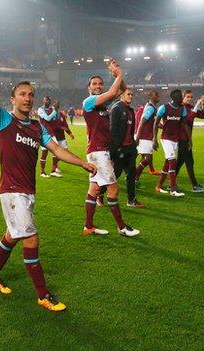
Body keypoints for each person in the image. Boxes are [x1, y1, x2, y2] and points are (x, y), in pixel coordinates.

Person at [0, 41, 97, 312]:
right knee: (31, 239)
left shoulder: (37, 127)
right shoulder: (4, 120)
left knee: (11, 236)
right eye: (22, 94)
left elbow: (56, 150)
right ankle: (43, 295)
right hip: (12, 190)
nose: (28, 98)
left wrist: (82, 164)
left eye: (31, 94)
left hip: (27, 191)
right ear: (13, 99)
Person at [82, 60, 140, 237]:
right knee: (114, 189)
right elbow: (115, 91)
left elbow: (122, 89)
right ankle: (122, 228)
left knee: (94, 190)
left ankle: (88, 226)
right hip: (98, 151)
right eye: (94, 84)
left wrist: (118, 76)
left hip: (99, 151)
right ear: (89, 88)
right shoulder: (89, 102)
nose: (98, 86)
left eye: (100, 83)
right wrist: (119, 73)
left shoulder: (103, 106)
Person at [110, 89, 145, 208]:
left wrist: (133, 146)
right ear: (121, 96)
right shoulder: (116, 108)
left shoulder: (130, 110)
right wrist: (115, 149)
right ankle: (99, 194)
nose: (131, 96)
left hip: (130, 148)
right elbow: (113, 130)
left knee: (131, 174)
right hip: (120, 148)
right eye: (128, 94)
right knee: (116, 173)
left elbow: (130, 130)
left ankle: (131, 200)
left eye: (132, 94)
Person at [153, 89, 190, 197]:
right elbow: (155, 124)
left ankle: (159, 186)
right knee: (173, 160)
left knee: (167, 163)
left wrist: (190, 139)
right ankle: (173, 188)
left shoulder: (182, 109)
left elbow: (184, 124)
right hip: (166, 138)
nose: (182, 98)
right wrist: (154, 139)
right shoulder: (164, 108)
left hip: (175, 139)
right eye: (181, 97)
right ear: (174, 98)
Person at [176, 90, 204, 192]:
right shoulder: (181, 107)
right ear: (183, 97)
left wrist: (201, 105)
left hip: (185, 138)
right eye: (188, 97)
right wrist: (197, 105)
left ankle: (171, 182)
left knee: (179, 162)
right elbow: (188, 119)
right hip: (182, 138)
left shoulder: (189, 107)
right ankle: (194, 186)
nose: (190, 99)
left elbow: (202, 115)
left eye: (191, 97)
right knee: (189, 162)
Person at [134, 90, 161, 184]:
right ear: (151, 96)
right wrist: (137, 138)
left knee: (143, 157)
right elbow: (142, 122)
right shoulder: (151, 108)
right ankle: (134, 177)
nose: (158, 95)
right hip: (144, 137)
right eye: (156, 94)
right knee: (147, 159)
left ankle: (134, 176)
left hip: (145, 136)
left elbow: (153, 122)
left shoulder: (152, 107)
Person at [51, 99, 75, 175]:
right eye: (55, 103)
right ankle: (54, 169)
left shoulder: (61, 114)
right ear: (53, 105)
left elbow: (65, 125)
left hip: (62, 137)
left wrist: (70, 133)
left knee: (65, 151)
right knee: (56, 153)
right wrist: (60, 127)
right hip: (54, 136)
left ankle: (56, 167)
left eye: (57, 103)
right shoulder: (50, 114)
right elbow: (51, 126)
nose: (56, 105)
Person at [37, 96, 58, 177]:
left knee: (57, 152)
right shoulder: (40, 109)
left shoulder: (51, 109)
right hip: (44, 133)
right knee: (44, 153)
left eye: (49, 100)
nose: (48, 102)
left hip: (52, 132)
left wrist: (56, 110)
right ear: (43, 101)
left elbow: (54, 119)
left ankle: (53, 170)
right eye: (46, 100)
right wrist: (55, 111)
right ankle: (42, 172)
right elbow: (48, 118)